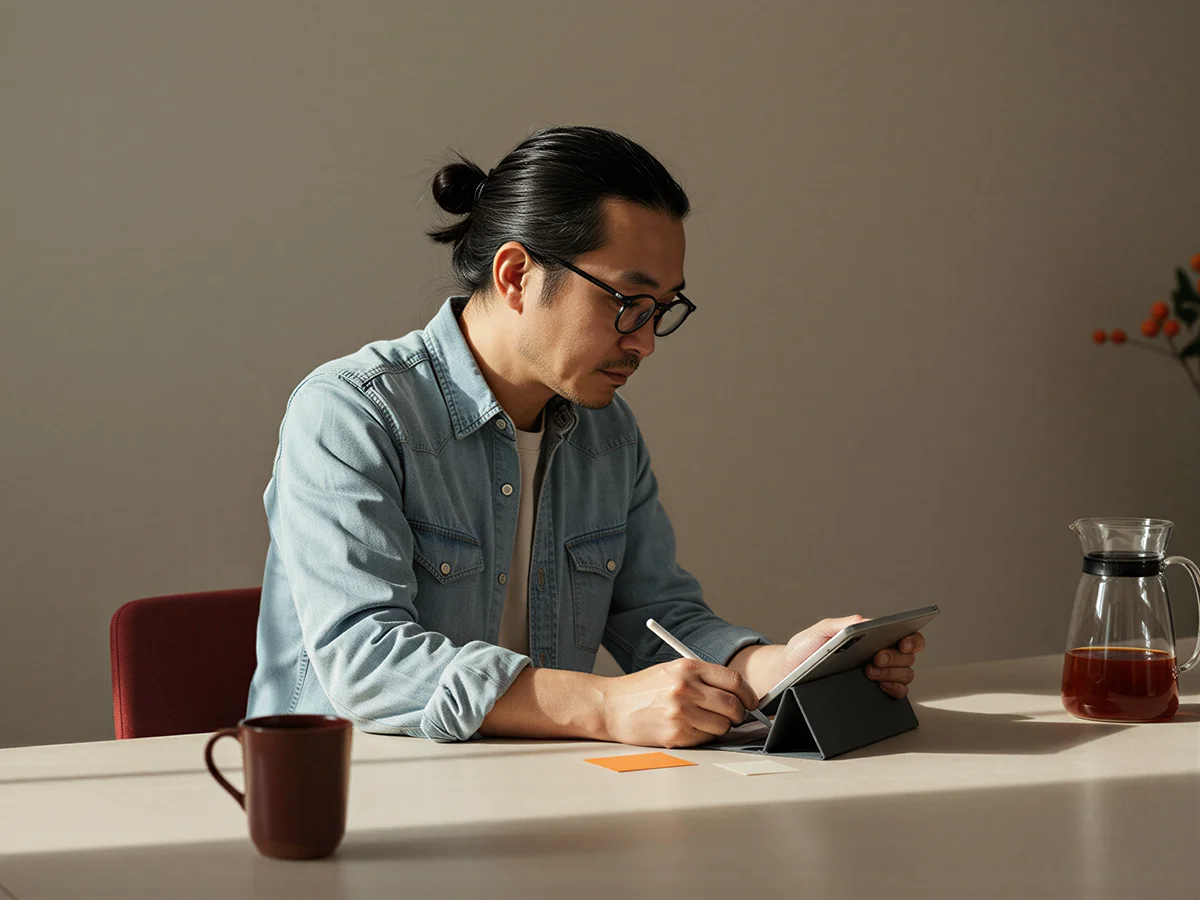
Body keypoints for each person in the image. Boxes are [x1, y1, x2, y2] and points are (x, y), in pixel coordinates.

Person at [246, 125, 926, 747]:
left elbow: (656, 617)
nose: (647, 343)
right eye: (628, 303)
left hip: (536, 794)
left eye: (662, 310)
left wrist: (782, 665)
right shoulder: (352, 413)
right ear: (516, 275)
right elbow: (367, 662)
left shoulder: (606, 432)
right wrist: (603, 706)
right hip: (349, 808)